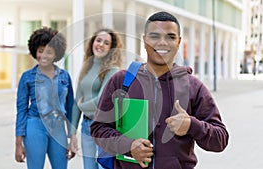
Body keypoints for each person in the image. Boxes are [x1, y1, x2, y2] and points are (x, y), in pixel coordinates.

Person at [90, 11, 229, 169]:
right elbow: (98, 129)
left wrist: (192, 125)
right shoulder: (121, 81)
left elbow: (221, 139)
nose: (162, 42)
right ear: (144, 40)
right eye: (155, 36)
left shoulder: (193, 87)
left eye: (170, 37)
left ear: (179, 42)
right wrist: (128, 146)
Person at [15, 27, 75, 169]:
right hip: (35, 126)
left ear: (56, 54)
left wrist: (72, 137)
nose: (44, 56)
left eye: (49, 52)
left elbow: (70, 107)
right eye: (40, 51)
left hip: (58, 128)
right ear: (35, 51)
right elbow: (21, 110)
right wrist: (18, 144)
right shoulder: (27, 77)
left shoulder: (64, 76)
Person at [70, 28, 124, 169]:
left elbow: (102, 101)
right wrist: (72, 133)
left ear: (111, 48)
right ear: (92, 42)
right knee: (89, 167)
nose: (100, 44)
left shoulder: (112, 70)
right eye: (98, 40)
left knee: (103, 167)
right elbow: (76, 102)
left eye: (106, 43)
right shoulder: (86, 67)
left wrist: (82, 105)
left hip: (105, 127)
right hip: (87, 126)